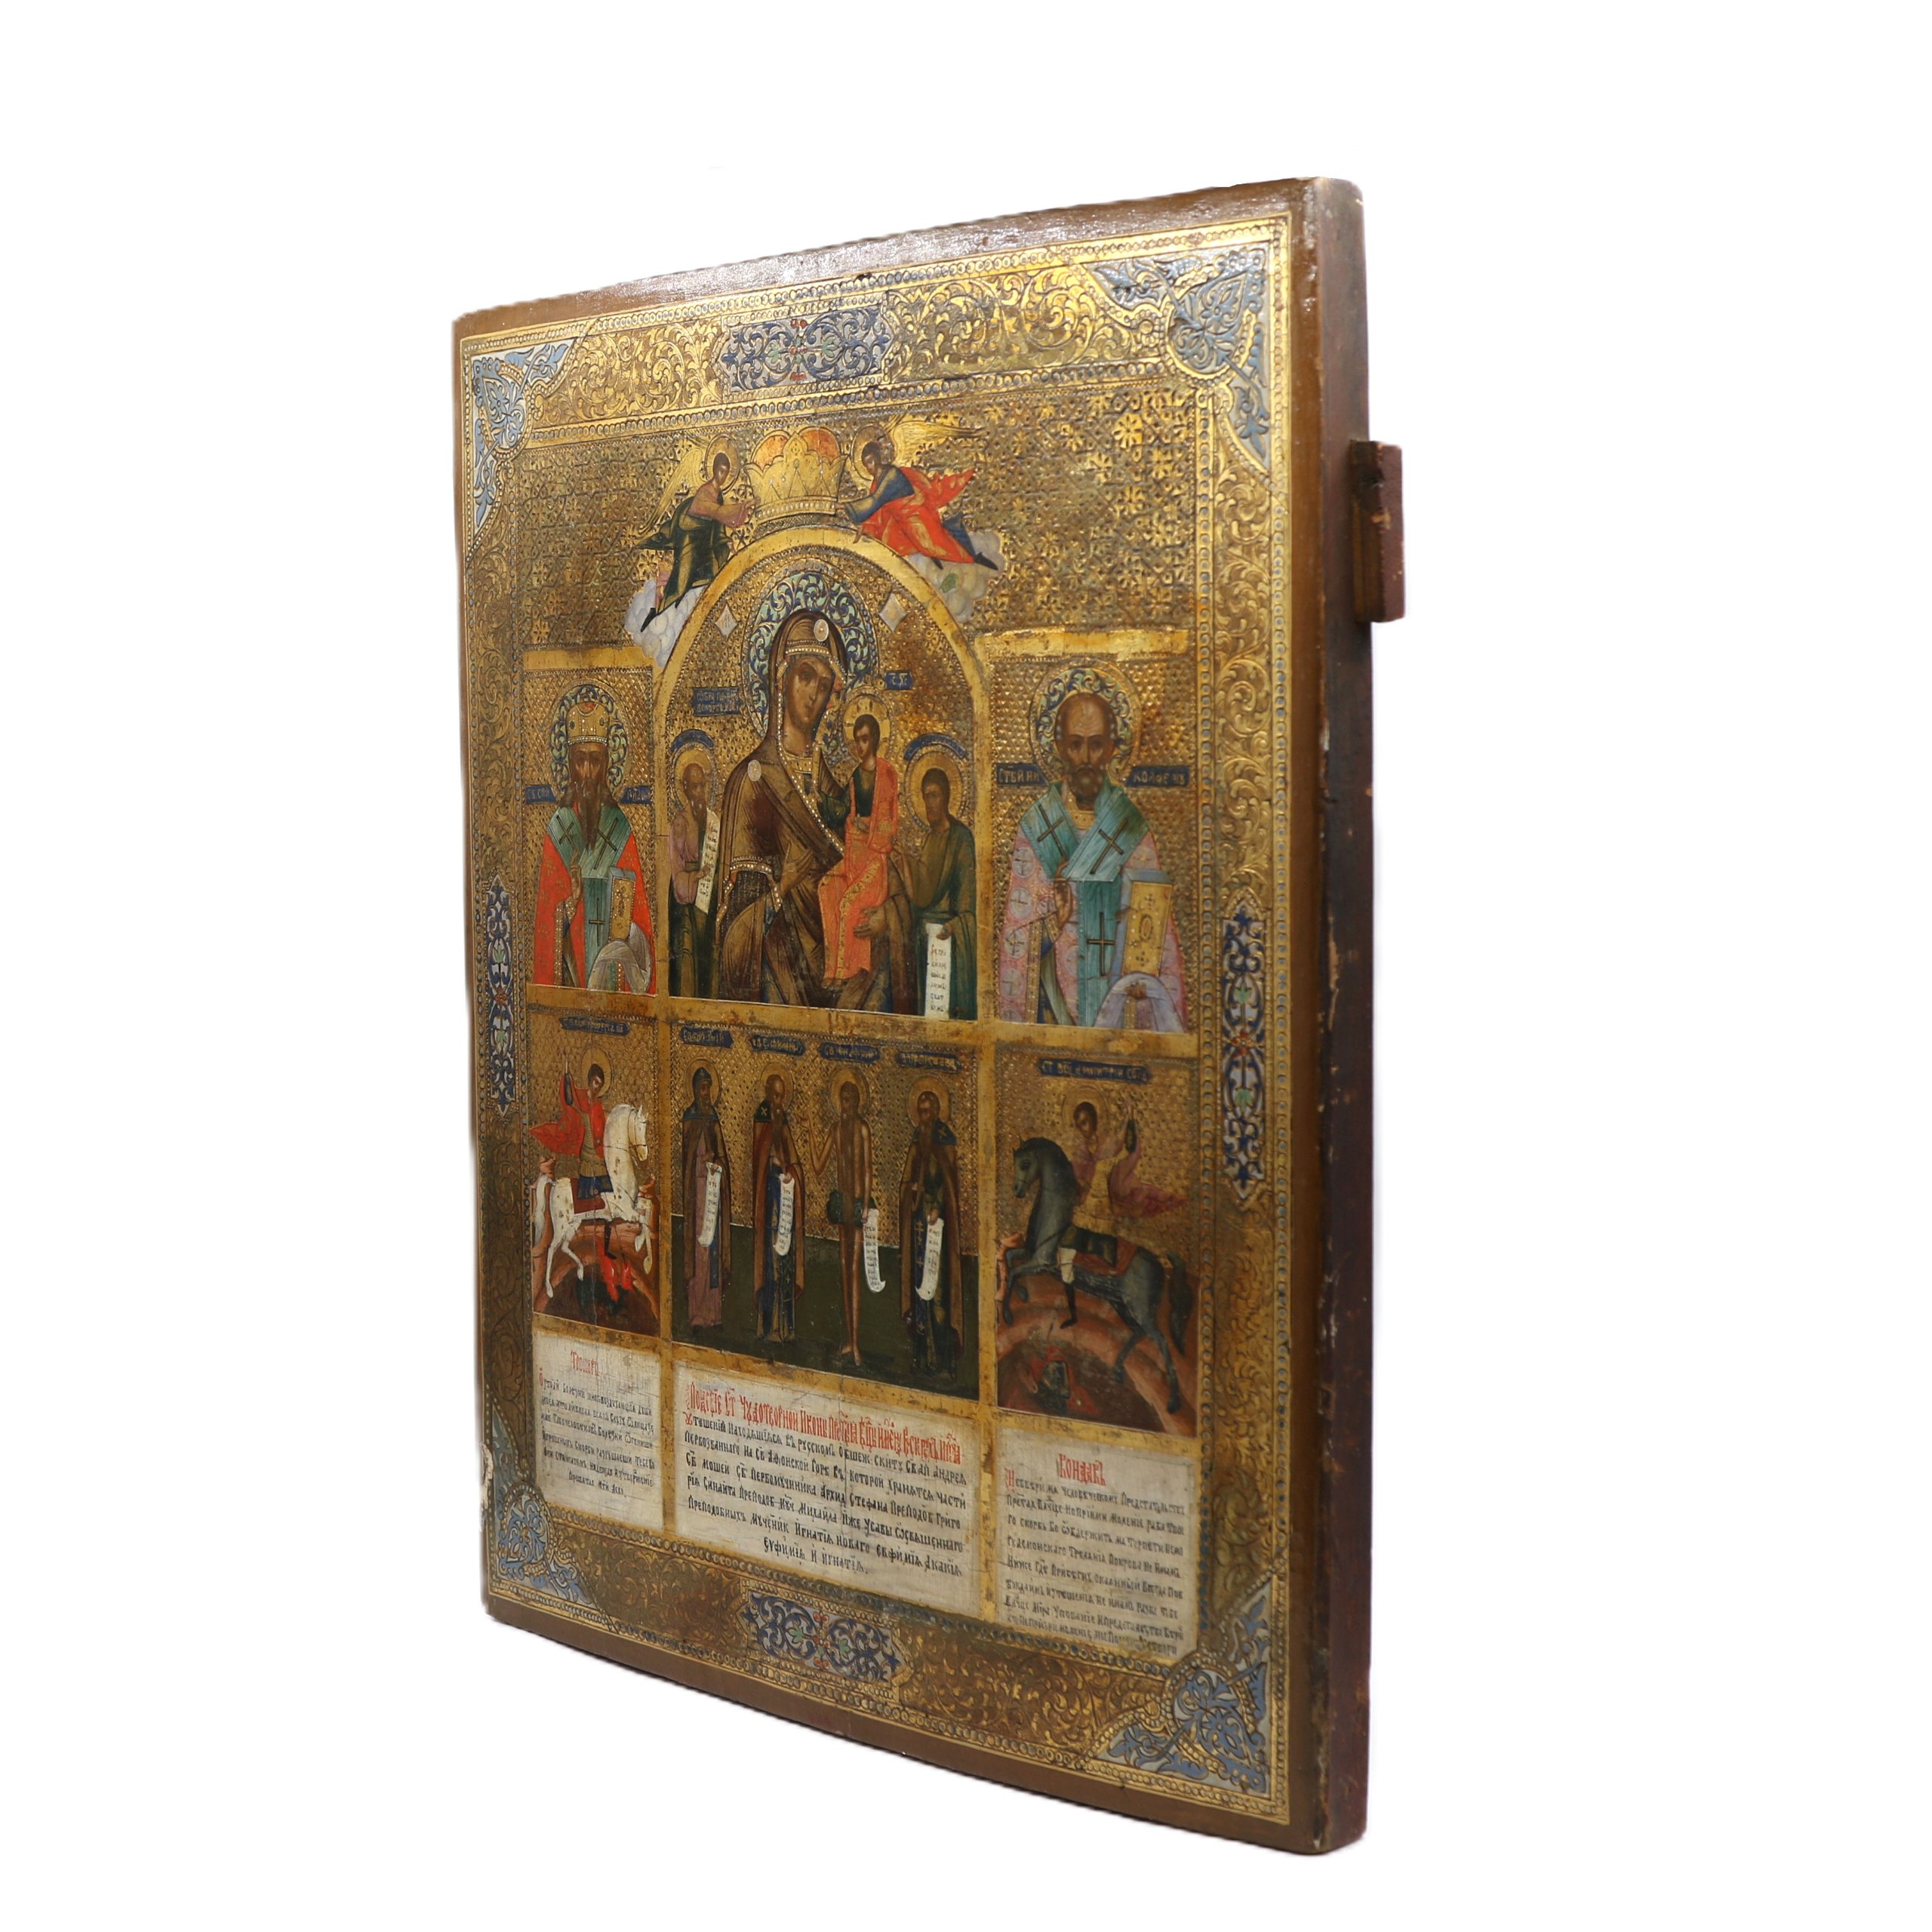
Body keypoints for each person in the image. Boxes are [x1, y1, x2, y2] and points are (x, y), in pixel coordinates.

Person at [712, 611, 917, 1010]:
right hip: (782, 980)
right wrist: (782, 887)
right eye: (805, 676)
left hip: (849, 969)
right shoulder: (751, 782)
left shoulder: (839, 791)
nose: (813, 694)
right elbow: (734, 928)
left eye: (824, 685)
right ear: (781, 677)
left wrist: (889, 916)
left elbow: (877, 865)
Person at [995, 688, 1184, 1029]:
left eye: (1096, 745)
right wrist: (1053, 921)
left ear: (1112, 749)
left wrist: (1144, 977)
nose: (1086, 757)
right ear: (1059, 748)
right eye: (1075, 744)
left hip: (1120, 1013)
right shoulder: (1038, 826)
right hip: (1056, 1012)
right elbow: (1015, 940)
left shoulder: (1131, 827)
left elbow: (1158, 936)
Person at [534, 699, 656, 991]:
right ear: (570, 765)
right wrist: (571, 902)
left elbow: (640, 919)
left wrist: (624, 924)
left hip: (615, 979)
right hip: (573, 979)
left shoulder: (620, 828)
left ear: (606, 765)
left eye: (595, 761)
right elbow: (546, 924)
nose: (587, 772)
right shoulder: (558, 828)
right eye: (580, 761)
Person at [633, 451, 749, 667]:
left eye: (726, 473)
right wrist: (734, 510)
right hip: (689, 543)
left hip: (705, 547)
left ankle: (693, 624)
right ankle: (658, 617)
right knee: (680, 584)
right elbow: (710, 512)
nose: (722, 476)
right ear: (713, 469)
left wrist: (726, 540)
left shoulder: (718, 495)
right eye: (720, 471)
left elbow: (717, 526)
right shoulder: (704, 492)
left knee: (713, 576)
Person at [817, 711, 900, 989]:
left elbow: (891, 821)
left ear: (875, 739)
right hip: (854, 856)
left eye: (864, 739)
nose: (860, 746)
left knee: (848, 904)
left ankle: (846, 970)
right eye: (857, 740)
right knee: (827, 887)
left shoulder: (887, 774)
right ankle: (831, 969)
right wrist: (821, 800)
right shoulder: (855, 776)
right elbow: (843, 810)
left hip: (874, 860)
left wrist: (869, 827)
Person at [897, 1088, 964, 1379]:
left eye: (928, 1112)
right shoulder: (917, 1142)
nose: (924, 1118)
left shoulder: (946, 1141)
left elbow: (949, 1185)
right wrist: (910, 1192)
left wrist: (937, 1205)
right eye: (920, 1112)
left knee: (939, 1297)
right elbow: (905, 1182)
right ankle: (922, 1358)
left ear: (937, 1112)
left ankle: (945, 1364)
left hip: (939, 1232)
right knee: (920, 1296)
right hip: (918, 1230)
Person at [811, 1077, 874, 1368]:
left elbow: (868, 1168)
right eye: (843, 1100)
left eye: (850, 1100)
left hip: (859, 1205)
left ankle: (857, 1343)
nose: (846, 1105)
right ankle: (850, 1341)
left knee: (854, 1271)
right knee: (844, 1270)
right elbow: (818, 1165)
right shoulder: (837, 1129)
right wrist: (811, 1133)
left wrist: (867, 1204)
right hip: (841, 1204)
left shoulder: (862, 1128)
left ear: (858, 1102)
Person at [906, 761, 977, 1017]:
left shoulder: (961, 838)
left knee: (948, 1012)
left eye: (935, 795)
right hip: (925, 938)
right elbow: (921, 893)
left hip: (950, 939)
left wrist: (955, 926)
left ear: (946, 796)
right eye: (926, 797)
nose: (930, 803)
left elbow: (969, 902)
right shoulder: (930, 838)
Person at [749, 1071, 805, 1341]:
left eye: (782, 1096)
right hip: (771, 1204)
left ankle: (786, 1328)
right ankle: (771, 1326)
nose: (779, 1101)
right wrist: (773, 1166)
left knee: (786, 1265)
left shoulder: (784, 1125)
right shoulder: (763, 1123)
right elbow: (760, 1164)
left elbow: (795, 1164)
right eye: (775, 1095)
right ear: (768, 1095)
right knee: (771, 1266)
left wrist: (790, 1173)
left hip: (786, 1206)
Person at [679, 1068, 731, 1330]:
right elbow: (687, 1162)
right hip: (697, 1198)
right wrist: (701, 1163)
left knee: (712, 1253)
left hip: (712, 1198)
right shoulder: (689, 1119)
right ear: (695, 1090)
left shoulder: (713, 1119)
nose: (706, 1093)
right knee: (699, 1254)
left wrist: (716, 1162)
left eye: (709, 1088)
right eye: (703, 1088)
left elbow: (722, 1157)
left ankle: (714, 1314)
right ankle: (697, 1315)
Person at [530, 1059, 613, 1213]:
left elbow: (602, 1128)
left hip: (598, 1152)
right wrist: (566, 1078)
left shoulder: (598, 1105)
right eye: (596, 1082)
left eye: (600, 1085)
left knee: (606, 1194)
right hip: (582, 1148)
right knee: (586, 1191)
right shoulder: (579, 1096)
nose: (597, 1087)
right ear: (590, 1080)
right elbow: (567, 1098)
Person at [664, 752, 715, 998]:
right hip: (684, 899)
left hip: (707, 894)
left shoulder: (711, 820)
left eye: (702, 786)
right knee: (686, 951)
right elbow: (677, 869)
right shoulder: (680, 822)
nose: (699, 793)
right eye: (694, 787)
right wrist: (696, 877)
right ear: (685, 789)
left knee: (707, 949)